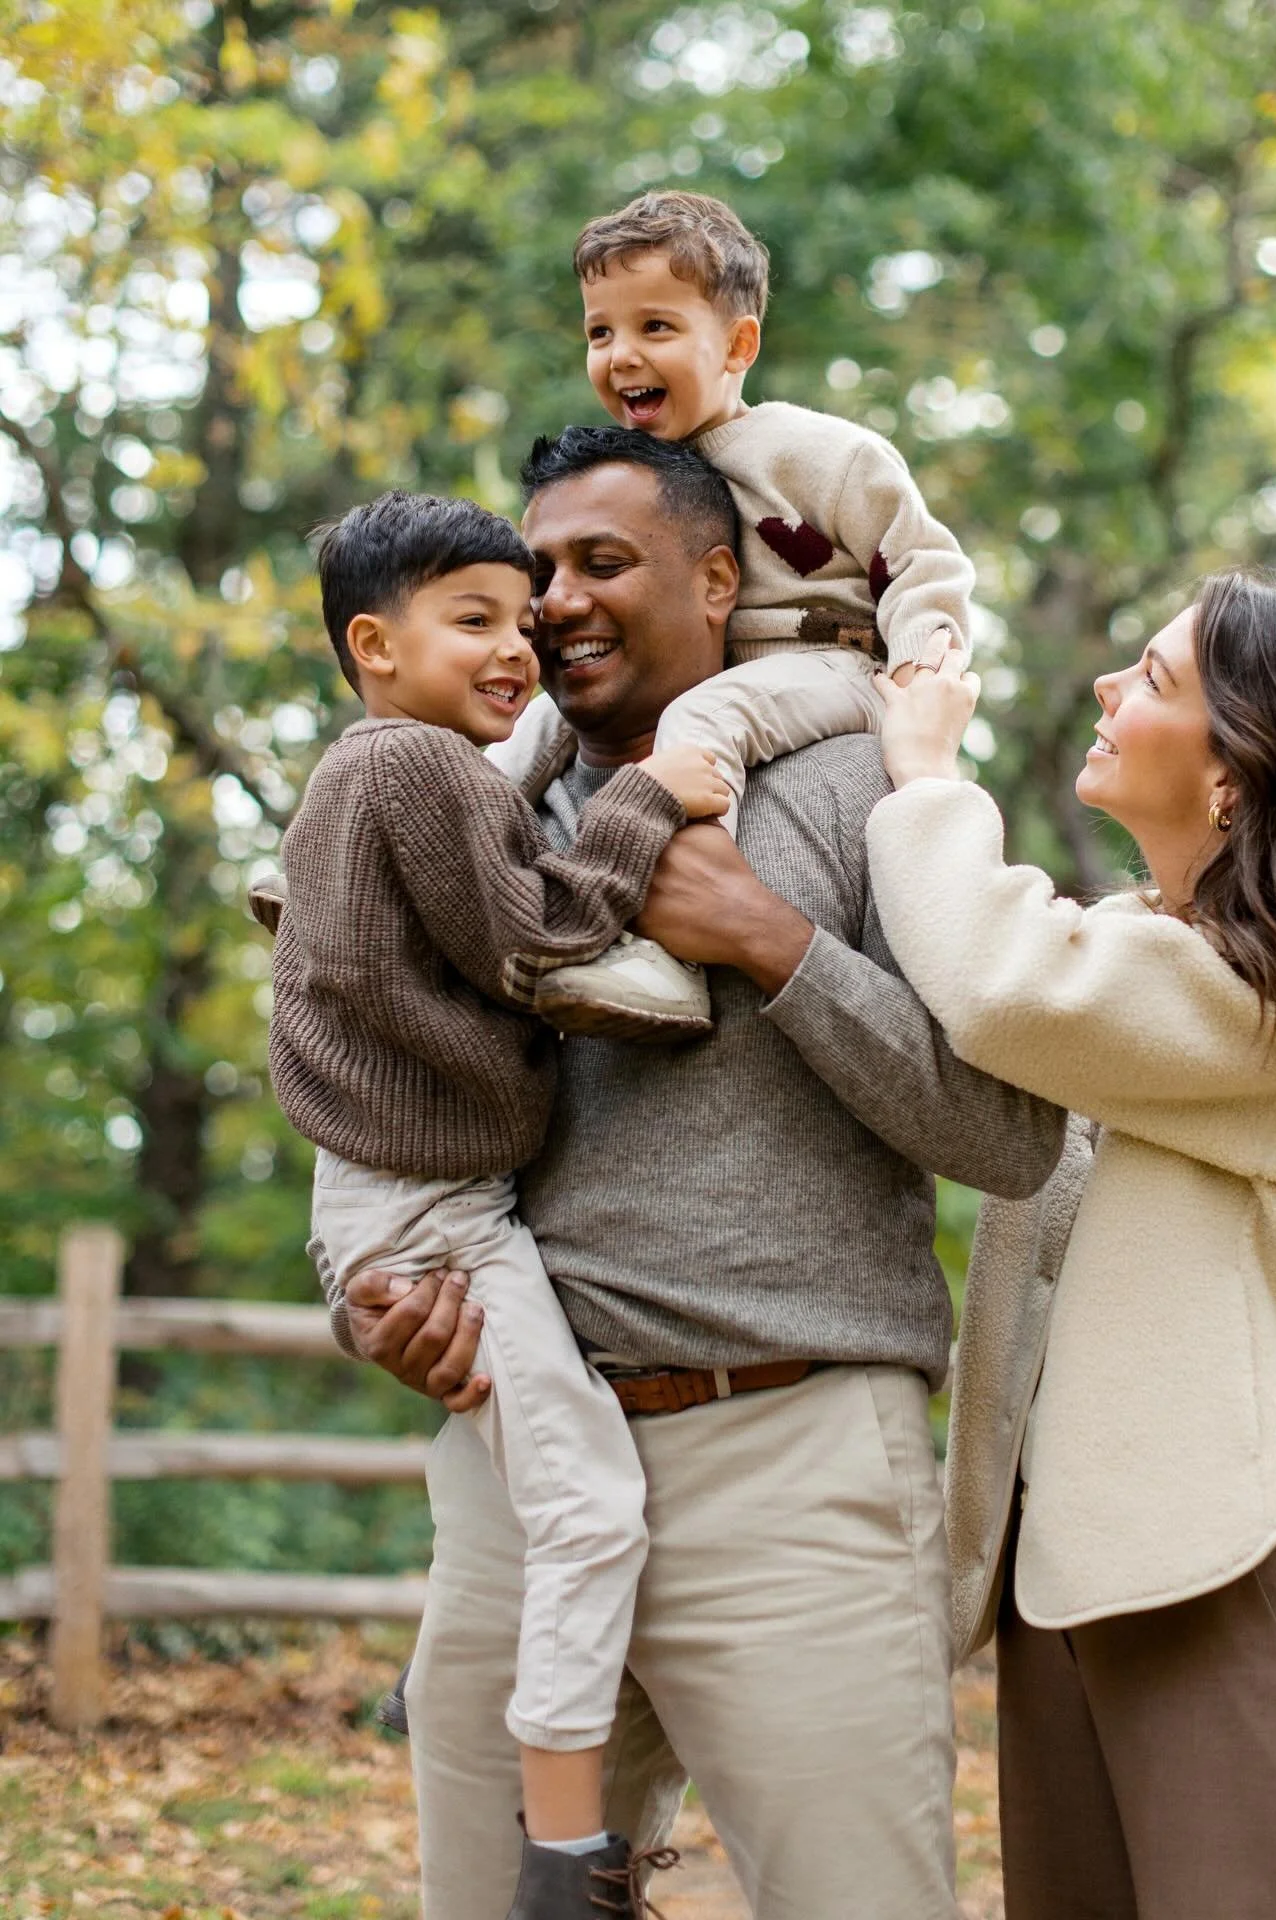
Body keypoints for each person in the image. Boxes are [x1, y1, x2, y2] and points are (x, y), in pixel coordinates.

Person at [328, 426, 1066, 1920]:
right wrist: (367, 1303)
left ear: (719, 578)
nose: (557, 600)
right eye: (534, 571)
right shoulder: (463, 800)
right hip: (521, 1472)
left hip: (792, 1468)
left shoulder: (871, 788)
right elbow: (364, 1090)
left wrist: (776, 944)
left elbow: (1011, 1139)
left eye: (604, 562)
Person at [864, 573, 1276, 1919]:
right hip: (1070, 1574)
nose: (1114, 694)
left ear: (1237, 769)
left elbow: (999, 984)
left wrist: (925, 774)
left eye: (1155, 678)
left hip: (1222, 1565)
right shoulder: (1142, 959)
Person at [266, 488, 733, 1919]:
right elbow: (543, 935)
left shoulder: (376, 768)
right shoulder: (422, 769)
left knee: (559, 1500)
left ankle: (498, 1732)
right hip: (436, 1219)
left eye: (520, 621)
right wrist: (654, 794)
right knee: (590, 1508)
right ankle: (560, 1852)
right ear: (373, 644)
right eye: (473, 619)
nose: (517, 647)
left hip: (409, 1203)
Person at [488, 190, 975, 1040]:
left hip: (833, 666)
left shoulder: (815, 452)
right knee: (532, 729)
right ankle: (404, 863)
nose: (621, 355)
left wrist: (921, 674)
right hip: (734, 682)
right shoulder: (636, 475)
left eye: (656, 328)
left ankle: (669, 949)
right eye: (601, 332)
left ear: (739, 344)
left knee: (702, 713)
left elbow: (921, 560)